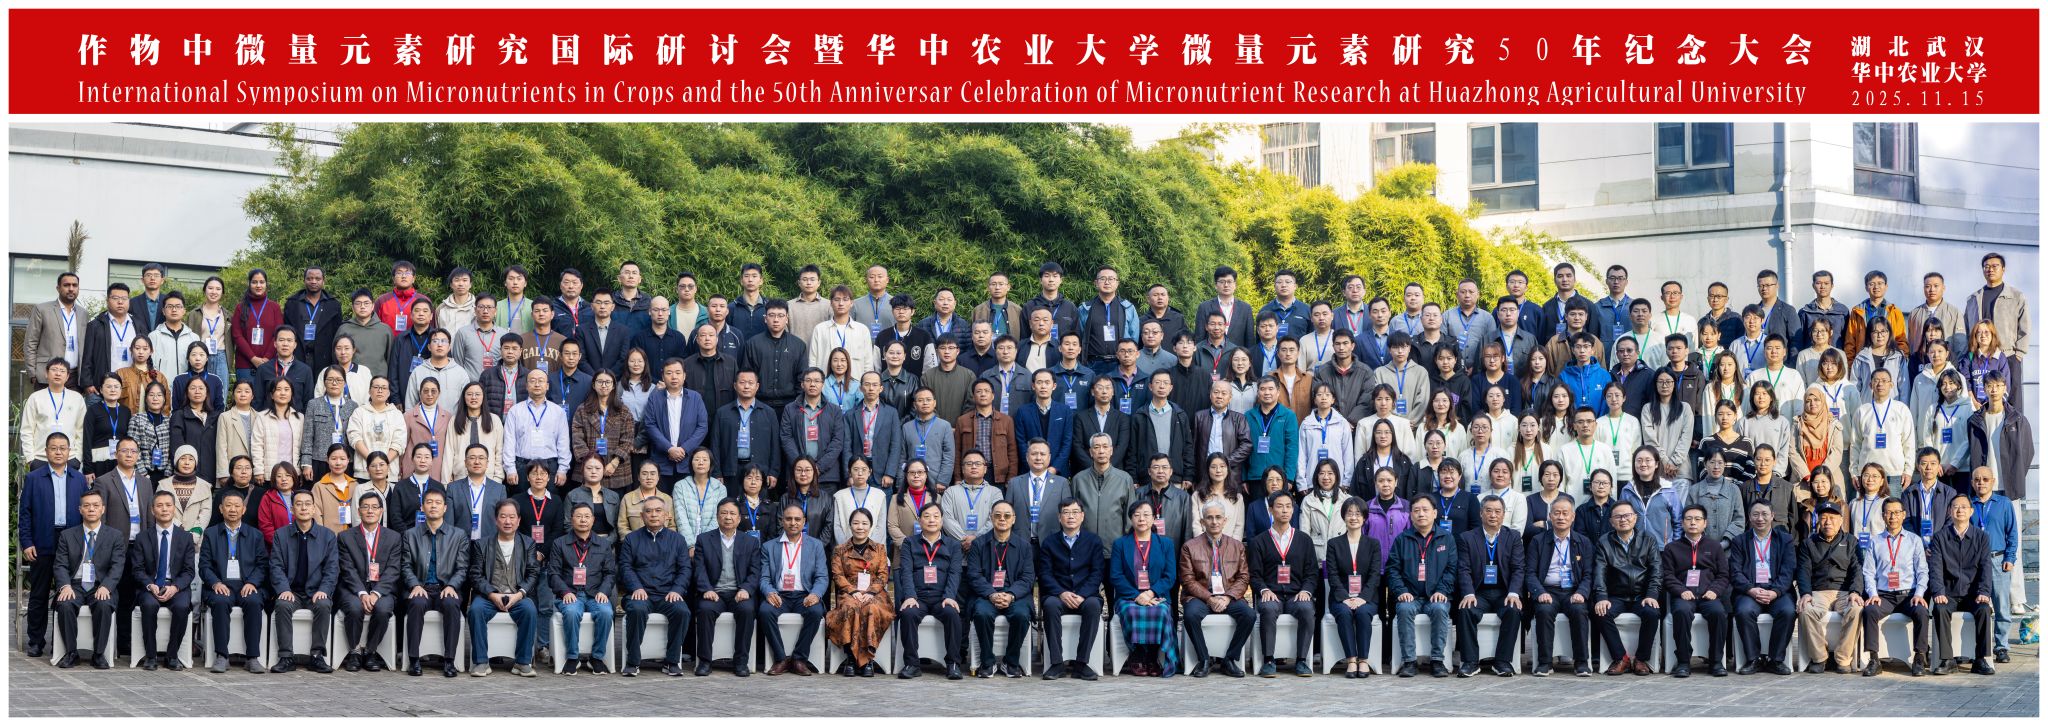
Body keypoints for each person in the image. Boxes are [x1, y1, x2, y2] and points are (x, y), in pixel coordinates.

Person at [17, 433, 88, 660]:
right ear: (46, 451)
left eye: (63, 448)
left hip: (71, 542)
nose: (58, 452)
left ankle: (65, 642)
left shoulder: (79, 479)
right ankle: (36, 641)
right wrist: (27, 542)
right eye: (54, 448)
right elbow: (25, 513)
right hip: (42, 541)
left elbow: (87, 513)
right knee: (39, 594)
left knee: (69, 592)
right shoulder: (34, 478)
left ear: (69, 451)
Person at [1177, 499, 1254, 678]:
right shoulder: (1190, 547)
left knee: (1249, 615)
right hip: (1199, 597)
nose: (1214, 521)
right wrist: (1209, 598)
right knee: (1190, 615)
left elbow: (1243, 577)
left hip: (1228, 596)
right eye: (1209, 518)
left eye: (1218, 517)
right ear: (1202, 521)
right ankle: (1204, 659)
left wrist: (1227, 597)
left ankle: (1229, 659)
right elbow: (1187, 580)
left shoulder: (1237, 546)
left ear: (1225, 520)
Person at [1238, 490, 1313, 677]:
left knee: (1306, 609)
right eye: (1279, 506)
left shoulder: (1304, 540)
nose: (1285, 510)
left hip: (1297, 594)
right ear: (1271, 510)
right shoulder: (1259, 541)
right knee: (1268, 608)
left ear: (1293, 510)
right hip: (1272, 593)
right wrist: (1263, 589)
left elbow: (1312, 573)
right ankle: (1269, 660)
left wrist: (1306, 591)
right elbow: (1254, 574)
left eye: (1288, 506)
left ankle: (1301, 661)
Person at [466, 499, 542, 677]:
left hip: (517, 595)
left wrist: (520, 594)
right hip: (489, 596)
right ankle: (481, 662)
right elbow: (475, 575)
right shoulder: (482, 544)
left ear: (519, 520)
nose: (508, 521)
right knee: (475, 610)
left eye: (512, 517)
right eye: (503, 516)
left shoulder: (528, 543)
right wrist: (492, 594)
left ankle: (522, 662)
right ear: (496, 519)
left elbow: (533, 573)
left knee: (529, 610)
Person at [618, 495, 691, 676]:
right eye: (648, 511)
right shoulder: (631, 539)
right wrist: (636, 587)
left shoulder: (678, 540)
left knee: (682, 611)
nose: (653, 515)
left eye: (658, 511)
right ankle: (633, 662)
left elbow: (685, 569)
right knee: (637, 609)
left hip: (668, 593)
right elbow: (625, 567)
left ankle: (671, 661)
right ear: (642, 516)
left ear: (667, 515)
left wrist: (677, 590)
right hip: (640, 593)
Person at [1452, 495, 1524, 677]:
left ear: (1503, 514)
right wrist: (1468, 593)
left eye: (1498, 511)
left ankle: (1502, 662)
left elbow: (1518, 568)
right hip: (1479, 593)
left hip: (1504, 593)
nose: (1493, 515)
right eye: (1489, 511)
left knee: (1513, 610)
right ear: (1481, 513)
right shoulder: (1467, 537)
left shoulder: (1513, 537)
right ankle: (1470, 662)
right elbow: (1463, 569)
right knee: (1465, 610)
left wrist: (1514, 593)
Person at [267, 489, 339, 672]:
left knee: (324, 604)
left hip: (316, 591)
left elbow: (332, 569)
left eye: (308, 504)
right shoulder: (281, 535)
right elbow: (276, 566)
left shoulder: (327, 536)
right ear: (292, 509)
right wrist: (284, 589)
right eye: (298, 504)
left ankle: (317, 656)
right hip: (292, 592)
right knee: (282, 604)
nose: (303, 508)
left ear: (314, 508)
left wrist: (324, 590)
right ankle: (286, 657)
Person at [1859, 497, 1932, 676]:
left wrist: (1919, 594)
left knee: (1922, 612)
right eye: (1889, 513)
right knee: (1870, 610)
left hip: (1909, 595)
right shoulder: (1875, 541)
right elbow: (1868, 572)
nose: (1893, 517)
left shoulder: (1914, 540)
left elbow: (1922, 571)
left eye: (1897, 512)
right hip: (1884, 596)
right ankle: (1874, 659)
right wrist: (1873, 594)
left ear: (1903, 515)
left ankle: (1919, 657)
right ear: (1883, 516)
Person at [961, 500, 1033, 678]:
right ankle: (987, 662)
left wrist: (1011, 595)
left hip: (1015, 594)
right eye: (998, 515)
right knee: (982, 614)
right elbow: (974, 575)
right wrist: (992, 594)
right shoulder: (979, 544)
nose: (1002, 519)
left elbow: (1027, 578)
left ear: (1014, 519)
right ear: (991, 518)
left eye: (1007, 516)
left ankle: (1011, 662)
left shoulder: (1024, 546)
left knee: (1021, 615)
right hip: (986, 594)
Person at [199, 490, 268, 673]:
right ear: (221, 509)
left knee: (254, 601)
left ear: (243, 510)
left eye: (237, 506)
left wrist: (252, 583)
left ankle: (252, 658)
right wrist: (216, 583)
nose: (232, 509)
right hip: (221, 585)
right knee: (220, 602)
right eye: (228, 505)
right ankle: (222, 656)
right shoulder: (211, 534)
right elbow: (204, 566)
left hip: (246, 585)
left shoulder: (255, 535)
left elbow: (262, 565)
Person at [401, 488, 467, 678]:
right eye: (429, 502)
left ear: (445, 508)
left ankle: (449, 660)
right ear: (422, 507)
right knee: (416, 603)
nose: (433, 506)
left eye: (438, 503)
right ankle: (414, 659)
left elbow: (462, 567)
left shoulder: (458, 535)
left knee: (452, 604)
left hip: (446, 588)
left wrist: (452, 585)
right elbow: (405, 565)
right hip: (421, 587)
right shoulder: (410, 535)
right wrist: (415, 584)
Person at [895, 502, 966, 679]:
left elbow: (955, 573)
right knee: (908, 613)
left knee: (952, 613)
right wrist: (910, 596)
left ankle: (953, 663)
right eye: (926, 516)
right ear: (919, 520)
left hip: (942, 597)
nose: (931, 520)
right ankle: (912, 664)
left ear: (942, 520)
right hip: (918, 597)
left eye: (936, 516)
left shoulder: (953, 545)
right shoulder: (910, 543)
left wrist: (949, 596)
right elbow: (906, 571)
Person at [756, 503, 828, 676]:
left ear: (804, 522)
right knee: (765, 611)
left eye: (797, 519)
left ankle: (799, 659)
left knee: (816, 612)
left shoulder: (816, 545)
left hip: (804, 595)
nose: (793, 523)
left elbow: (822, 577)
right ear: (782, 521)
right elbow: (764, 578)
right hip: (779, 595)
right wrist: (769, 592)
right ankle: (780, 658)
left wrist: (815, 594)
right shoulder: (769, 547)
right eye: (789, 519)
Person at [686, 500, 757, 676]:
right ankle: (705, 661)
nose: (728, 517)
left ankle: (741, 662)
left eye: (732, 513)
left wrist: (746, 589)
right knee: (704, 610)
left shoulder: (750, 542)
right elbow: (699, 569)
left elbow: (755, 571)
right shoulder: (704, 539)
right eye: (724, 513)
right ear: (717, 517)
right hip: (714, 593)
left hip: (738, 593)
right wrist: (706, 589)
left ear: (739, 519)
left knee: (747, 610)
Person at [1388, 494, 1456, 677]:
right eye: (1416, 510)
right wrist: (1401, 591)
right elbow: (1392, 569)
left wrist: (1442, 590)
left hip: (1436, 596)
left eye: (1425, 510)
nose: (1421, 514)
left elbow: (1452, 569)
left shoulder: (1446, 538)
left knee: (1440, 609)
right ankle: (1409, 662)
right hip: (1411, 595)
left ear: (1434, 513)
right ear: (1411, 515)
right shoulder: (1402, 539)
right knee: (1404, 609)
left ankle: (1437, 661)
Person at [1929, 493, 1997, 675]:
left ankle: (1980, 659)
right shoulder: (1939, 537)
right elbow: (1935, 568)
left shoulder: (1982, 537)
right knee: (1939, 609)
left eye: (1964, 507)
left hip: (1973, 594)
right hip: (1948, 594)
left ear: (1971, 511)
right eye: (1956, 507)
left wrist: (1984, 592)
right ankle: (1947, 660)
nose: (1960, 510)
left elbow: (1986, 567)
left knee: (1984, 609)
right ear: (1950, 511)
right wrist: (1938, 592)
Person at [1038, 498, 1105, 680]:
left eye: (1075, 512)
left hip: (1086, 596)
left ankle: (1081, 664)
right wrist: (1061, 593)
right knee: (1050, 606)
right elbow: (1045, 574)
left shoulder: (1093, 541)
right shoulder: (1049, 542)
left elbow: (1097, 573)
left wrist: (1082, 594)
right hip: (1058, 595)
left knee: (1093, 606)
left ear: (1082, 516)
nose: (1071, 516)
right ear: (1059, 517)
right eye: (1066, 512)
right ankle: (1056, 664)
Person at [1526, 496, 1594, 677]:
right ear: (1550, 516)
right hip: (1548, 591)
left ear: (1573, 517)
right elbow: (1530, 573)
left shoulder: (1583, 542)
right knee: (1543, 610)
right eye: (1557, 513)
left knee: (1579, 610)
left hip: (1574, 591)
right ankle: (1545, 662)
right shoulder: (1538, 541)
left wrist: (1582, 592)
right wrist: (1539, 592)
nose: (1561, 517)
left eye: (1565, 513)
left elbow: (1589, 574)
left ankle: (1581, 662)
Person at [545, 502, 615, 676]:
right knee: (571, 612)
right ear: (571, 519)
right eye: (579, 516)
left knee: (606, 612)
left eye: (586, 516)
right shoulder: (560, 543)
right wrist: (565, 592)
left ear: (593, 520)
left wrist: (603, 591)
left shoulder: (603, 544)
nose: (583, 520)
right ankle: (572, 657)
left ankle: (597, 657)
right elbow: (553, 573)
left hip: (595, 594)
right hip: (571, 594)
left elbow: (610, 573)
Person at [1727, 501, 1796, 675]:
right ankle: (1754, 659)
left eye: (1765, 514)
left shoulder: (1785, 540)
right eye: (1755, 514)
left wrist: (1774, 592)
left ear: (1772, 516)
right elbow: (1735, 572)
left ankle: (1776, 660)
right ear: (1749, 517)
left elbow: (1788, 571)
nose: (1760, 518)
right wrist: (1751, 589)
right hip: (1749, 591)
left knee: (1788, 611)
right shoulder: (1739, 541)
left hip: (1777, 591)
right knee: (1743, 611)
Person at [1795, 499, 1863, 673]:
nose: (1828, 522)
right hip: (1819, 591)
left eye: (1832, 518)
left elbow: (1857, 569)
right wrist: (1805, 593)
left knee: (1856, 609)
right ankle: (1819, 657)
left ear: (1840, 520)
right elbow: (1803, 571)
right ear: (1818, 520)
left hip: (1844, 591)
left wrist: (1855, 591)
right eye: (1824, 518)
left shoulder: (1851, 541)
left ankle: (1843, 658)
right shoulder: (1809, 543)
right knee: (1805, 610)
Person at [1663, 504, 1730, 677]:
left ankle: (1716, 661)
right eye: (1689, 519)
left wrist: (1715, 590)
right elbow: (1667, 575)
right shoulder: (1672, 548)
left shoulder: (1715, 547)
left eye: (1697, 519)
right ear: (1682, 523)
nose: (1693, 522)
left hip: (1708, 595)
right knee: (1681, 612)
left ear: (1705, 523)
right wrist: (1680, 590)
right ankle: (1684, 662)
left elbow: (1723, 575)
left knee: (1719, 613)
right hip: (1684, 596)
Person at [337, 490, 400, 672]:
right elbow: (347, 569)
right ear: (359, 511)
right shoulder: (346, 537)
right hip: (353, 588)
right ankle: (355, 651)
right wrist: (363, 593)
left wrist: (376, 593)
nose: (370, 511)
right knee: (354, 608)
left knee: (383, 609)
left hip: (382, 589)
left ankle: (371, 651)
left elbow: (393, 570)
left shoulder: (394, 537)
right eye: (365, 507)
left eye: (374, 507)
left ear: (381, 510)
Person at [825, 508, 893, 677]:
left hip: (875, 594)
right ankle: (850, 658)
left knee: (871, 608)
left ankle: (868, 659)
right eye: (856, 523)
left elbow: (883, 575)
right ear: (850, 525)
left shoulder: (880, 549)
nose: (860, 527)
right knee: (850, 607)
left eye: (864, 523)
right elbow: (837, 575)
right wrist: (852, 590)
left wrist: (871, 592)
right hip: (849, 592)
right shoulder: (840, 549)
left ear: (870, 526)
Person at [1964, 374, 2032, 499]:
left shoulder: (2017, 419)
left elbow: (2028, 451)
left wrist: (2016, 476)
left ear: (2005, 388)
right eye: (1990, 385)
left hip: (2010, 487)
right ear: (1984, 388)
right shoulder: (1974, 421)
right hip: (1983, 486)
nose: (1994, 390)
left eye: (1998, 385)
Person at [1004, 440, 1070, 542]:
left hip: (1052, 542)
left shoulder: (1061, 483)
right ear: (1027, 457)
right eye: (1034, 454)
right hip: (1020, 542)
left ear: (1049, 457)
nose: (1038, 458)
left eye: (1043, 454)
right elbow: (1007, 514)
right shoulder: (1014, 483)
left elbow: (1067, 515)